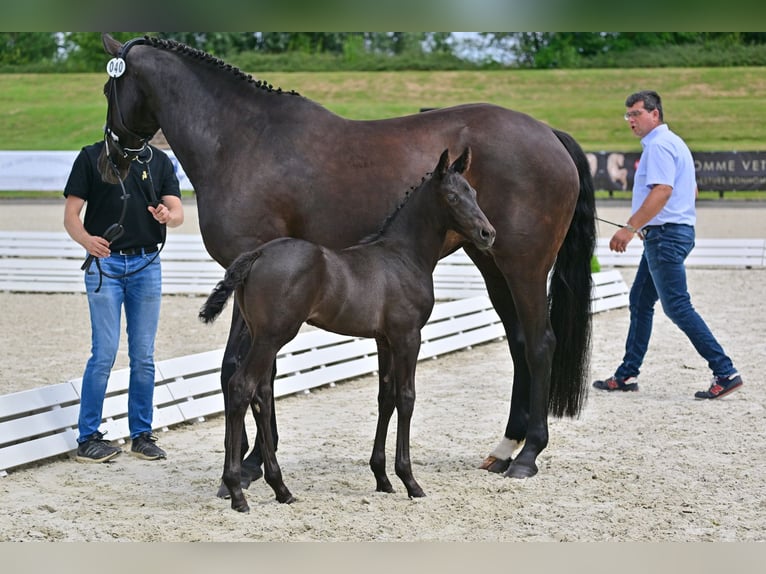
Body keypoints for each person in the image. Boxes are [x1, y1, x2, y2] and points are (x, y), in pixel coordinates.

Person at [593, 90, 743, 400]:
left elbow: (662, 191)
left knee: (677, 307)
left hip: (664, 237)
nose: (631, 120)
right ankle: (627, 374)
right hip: (670, 234)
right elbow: (693, 191)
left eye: (636, 114)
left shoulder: (659, 146)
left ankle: (725, 370)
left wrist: (630, 228)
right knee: (640, 300)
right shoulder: (674, 143)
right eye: (628, 115)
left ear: (655, 114)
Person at [64, 137, 184, 462]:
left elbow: (177, 212)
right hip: (106, 264)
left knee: (143, 355)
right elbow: (71, 216)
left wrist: (166, 216)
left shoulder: (158, 161)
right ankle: (88, 438)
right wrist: (88, 241)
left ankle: (141, 435)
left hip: (147, 263)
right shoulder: (91, 157)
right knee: (104, 352)